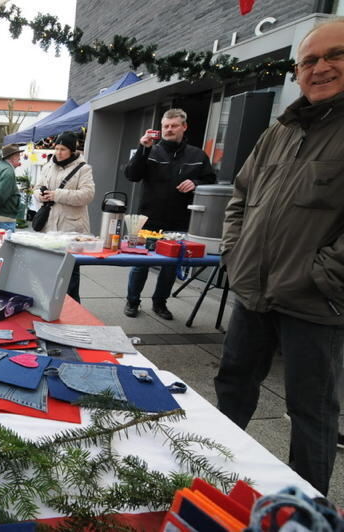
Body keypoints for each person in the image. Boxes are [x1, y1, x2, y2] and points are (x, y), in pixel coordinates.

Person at [214, 18, 344, 495]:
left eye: (336, 55)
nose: (321, 67)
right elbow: (240, 198)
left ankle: (304, 509)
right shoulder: (279, 131)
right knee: (232, 389)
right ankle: (214, 475)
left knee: (311, 412)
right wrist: (235, 253)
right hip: (252, 292)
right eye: (310, 60)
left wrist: (321, 276)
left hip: (314, 302)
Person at [123, 108, 215, 319]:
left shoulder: (197, 155)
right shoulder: (150, 151)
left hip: (179, 221)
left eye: (174, 125)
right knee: (139, 264)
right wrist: (142, 148)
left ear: (184, 127)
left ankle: (160, 303)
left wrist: (196, 182)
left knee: (170, 266)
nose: (169, 129)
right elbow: (132, 175)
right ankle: (132, 301)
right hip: (147, 219)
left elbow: (211, 180)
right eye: (166, 126)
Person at [33, 130, 95, 302]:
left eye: (63, 149)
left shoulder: (84, 169)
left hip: (71, 228)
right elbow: (37, 187)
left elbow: (87, 195)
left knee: (70, 273)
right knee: (48, 269)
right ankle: (50, 304)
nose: (58, 153)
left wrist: (57, 195)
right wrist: (40, 194)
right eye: (57, 148)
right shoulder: (47, 166)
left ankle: (73, 308)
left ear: (72, 151)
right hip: (49, 227)